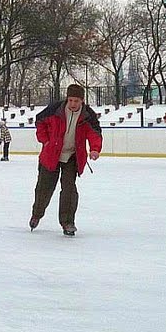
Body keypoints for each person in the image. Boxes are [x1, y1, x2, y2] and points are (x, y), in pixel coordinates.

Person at [30, 84, 103, 236]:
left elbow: (94, 133)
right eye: (70, 100)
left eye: (76, 101)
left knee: (69, 190)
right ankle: (37, 214)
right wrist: (45, 141)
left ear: (82, 101)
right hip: (51, 155)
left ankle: (68, 222)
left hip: (72, 157)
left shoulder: (88, 115)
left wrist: (95, 148)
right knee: (44, 188)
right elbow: (40, 122)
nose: (73, 104)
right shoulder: (55, 109)